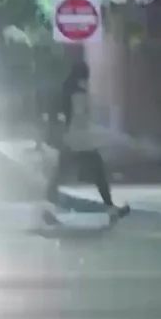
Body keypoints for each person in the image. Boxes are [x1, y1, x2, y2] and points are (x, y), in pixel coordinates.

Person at [44, 54, 128, 220]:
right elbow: (80, 117)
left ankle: (49, 208)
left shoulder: (65, 91)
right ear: (82, 77)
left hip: (70, 139)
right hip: (80, 141)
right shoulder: (79, 94)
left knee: (61, 175)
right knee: (98, 173)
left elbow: (59, 116)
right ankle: (111, 209)